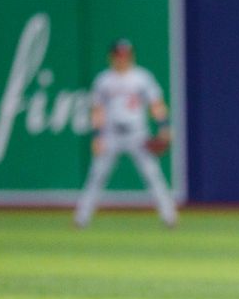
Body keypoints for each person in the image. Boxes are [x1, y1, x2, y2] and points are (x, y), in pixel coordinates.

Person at [74, 39, 177, 228]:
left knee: (152, 174)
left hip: (137, 134)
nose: (122, 58)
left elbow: (156, 105)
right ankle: (81, 219)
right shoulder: (104, 80)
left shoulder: (142, 78)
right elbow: (97, 110)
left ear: (131, 56)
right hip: (110, 134)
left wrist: (164, 126)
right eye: (118, 55)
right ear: (111, 57)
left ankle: (169, 217)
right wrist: (97, 136)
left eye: (125, 55)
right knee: (97, 175)